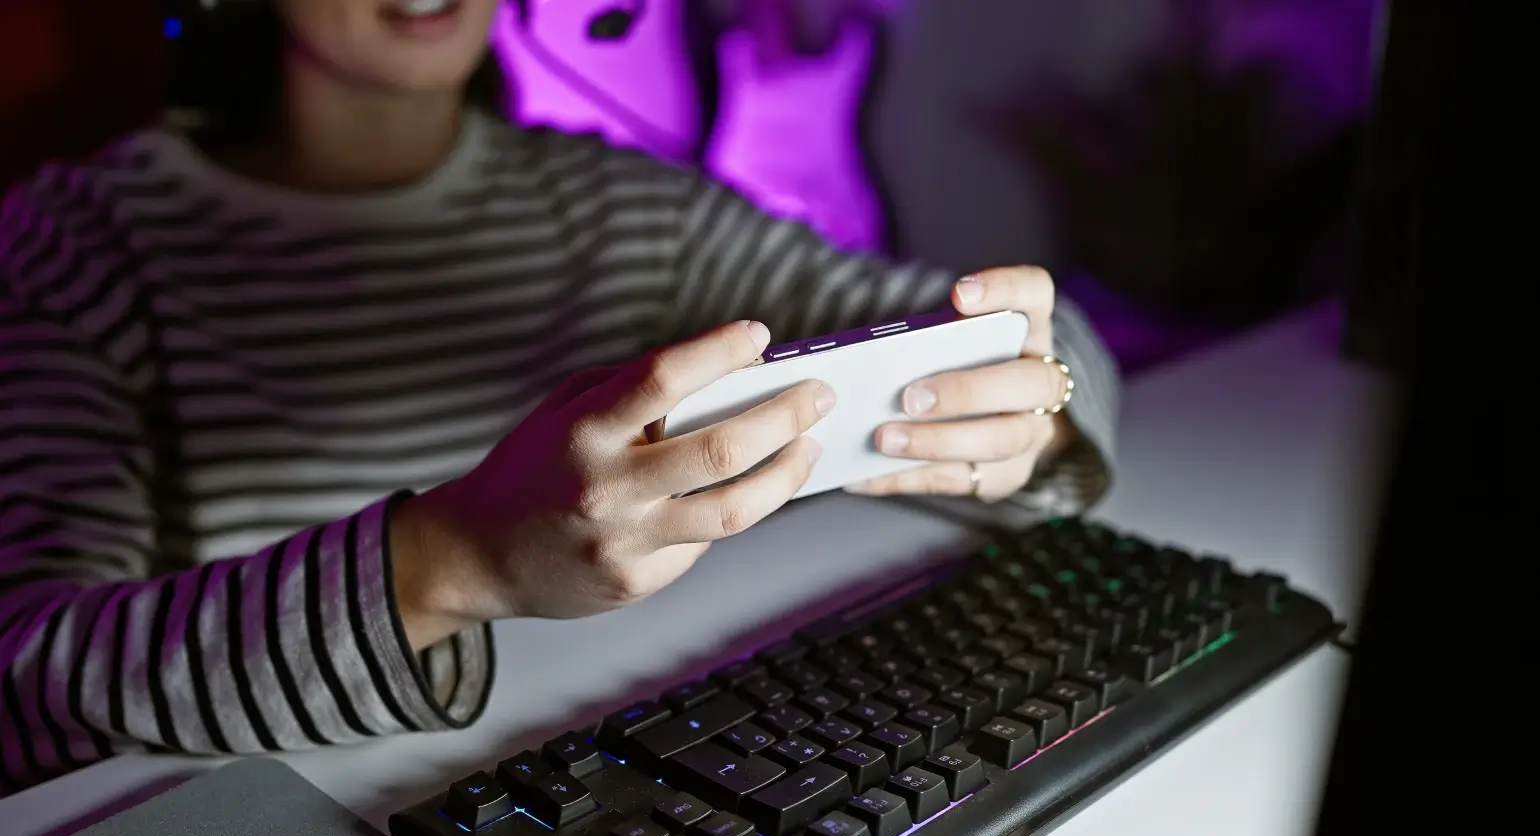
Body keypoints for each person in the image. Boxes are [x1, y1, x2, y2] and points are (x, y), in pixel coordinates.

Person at [0, 0, 1119, 794]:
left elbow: (1001, 326)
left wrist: (1034, 396)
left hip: (624, 771)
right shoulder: (81, 240)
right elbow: (30, 677)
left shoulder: (624, 203)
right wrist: (454, 562)